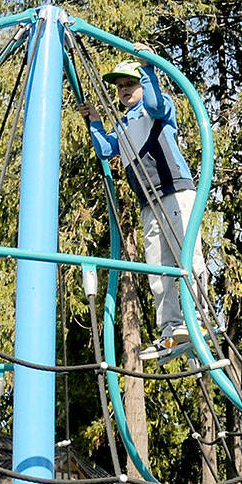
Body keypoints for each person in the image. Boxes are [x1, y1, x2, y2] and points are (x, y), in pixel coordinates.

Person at [77, 45, 209, 360]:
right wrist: (95, 120)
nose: (124, 90)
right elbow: (106, 150)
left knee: (187, 257)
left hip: (174, 190)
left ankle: (202, 319)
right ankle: (172, 330)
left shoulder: (156, 109)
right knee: (157, 269)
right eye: (120, 86)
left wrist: (149, 67)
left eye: (129, 83)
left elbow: (155, 100)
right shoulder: (122, 126)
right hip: (149, 202)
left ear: (141, 84)